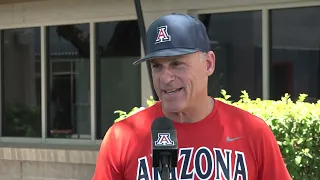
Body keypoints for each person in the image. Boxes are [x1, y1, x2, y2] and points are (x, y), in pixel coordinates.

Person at [92, 13, 292, 180]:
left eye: (177, 64)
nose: (165, 78)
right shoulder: (121, 138)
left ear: (208, 64)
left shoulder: (252, 132)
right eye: (157, 66)